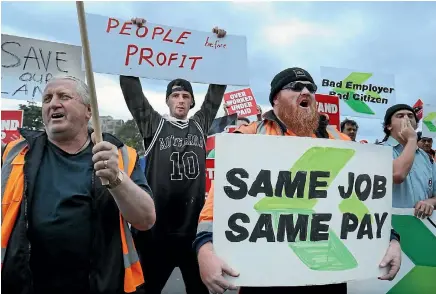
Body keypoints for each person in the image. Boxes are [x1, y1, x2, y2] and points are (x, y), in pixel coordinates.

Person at [194, 67, 402, 294]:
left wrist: (389, 239)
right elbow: (218, 205)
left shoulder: (338, 140)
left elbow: (362, 199)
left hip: (326, 275)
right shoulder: (249, 138)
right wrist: (204, 248)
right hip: (265, 275)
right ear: (275, 99)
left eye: (310, 88)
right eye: (295, 87)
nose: (306, 91)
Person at [1, 76, 156, 294]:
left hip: (101, 285)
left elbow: (145, 220)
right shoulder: (16, 152)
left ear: (88, 111)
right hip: (25, 284)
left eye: (64, 96)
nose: (53, 103)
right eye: (47, 99)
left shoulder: (118, 155)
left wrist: (116, 179)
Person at [119, 17, 227, 294]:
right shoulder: (153, 124)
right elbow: (132, 91)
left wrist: (218, 48)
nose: (180, 100)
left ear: (192, 102)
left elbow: (216, 91)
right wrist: (135, 39)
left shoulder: (200, 124)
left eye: (185, 96)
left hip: (192, 231)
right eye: (175, 95)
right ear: (167, 100)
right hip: (156, 231)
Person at [380, 104, 436, 218]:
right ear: (389, 126)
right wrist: (411, 139)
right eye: (400, 116)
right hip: (390, 227)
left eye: (410, 116)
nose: (407, 119)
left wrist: (430, 202)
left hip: (422, 225)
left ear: (415, 125)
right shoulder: (378, 151)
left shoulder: (426, 158)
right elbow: (397, 175)